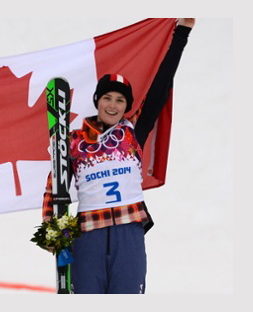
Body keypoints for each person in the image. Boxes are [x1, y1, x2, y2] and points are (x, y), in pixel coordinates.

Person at [42, 18, 195, 294]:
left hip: (129, 234)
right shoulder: (73, 141)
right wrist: (52, 230)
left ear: (126, 107)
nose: (112, 105)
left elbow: (161, 88)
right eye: (107, 98)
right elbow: (54, 188)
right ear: (97, 101)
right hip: (88, 236)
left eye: (120, 100)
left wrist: (181, 33)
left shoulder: (133, 131)